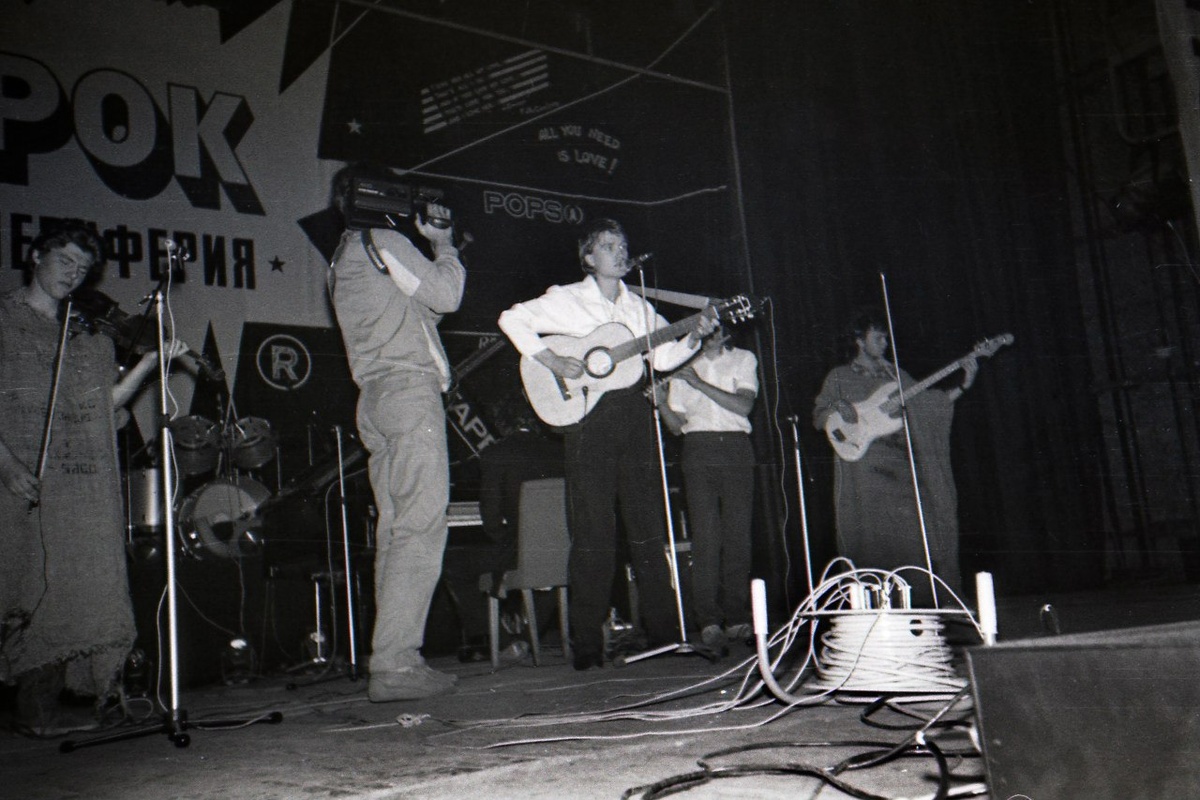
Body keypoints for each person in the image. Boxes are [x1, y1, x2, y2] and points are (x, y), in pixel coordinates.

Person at [498, 218, 717, 669]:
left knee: (647, 526)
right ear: (589, 257)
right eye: (609, 246)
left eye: (624, 245)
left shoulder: (639, 309)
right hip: (587, 419)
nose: (620, 252)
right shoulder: (567, 299)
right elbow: (511, 318)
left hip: (635, 416)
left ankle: (662, 634)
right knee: (593, 532)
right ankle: (586, 644)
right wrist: (553, 359)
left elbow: (664, 356)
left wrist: (695, 333)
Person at [0, 221, 189, 736]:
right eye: (65, 262)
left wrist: (150, 363)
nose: (73, 275)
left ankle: (38, 713)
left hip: (71, 485)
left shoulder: (82, 336)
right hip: (10, 477)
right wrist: (9, 467)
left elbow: (101, 407)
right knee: (13, 586)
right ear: (36, 255)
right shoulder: (4, 319)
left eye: (82, 270)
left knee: (66, 591)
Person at [326, 165, 466, 701]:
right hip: (408, 393)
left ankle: (391, 657)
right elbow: (447, 295)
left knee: (395, 530)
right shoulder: (382, 239)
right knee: (420, 527)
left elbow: (421, 305)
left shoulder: (343, 256)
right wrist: (446, 246)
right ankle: (396, 664)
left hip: (375, 399)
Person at [812, 311, 976, 605]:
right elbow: (820, 416)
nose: (885, 343)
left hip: (903, 464)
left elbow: (930, 406)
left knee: (919, 532)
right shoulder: (840, 376)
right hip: (866, 467)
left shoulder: (896, 375)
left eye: (886, 337)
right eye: (878, 337)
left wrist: (964, 384)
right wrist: (839, 409)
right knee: (875, 539)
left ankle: (924, 603)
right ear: (861, 342)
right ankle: (880, 605)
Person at [653, 326, 758, 651]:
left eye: (716, 328)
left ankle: (737, 618)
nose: (711, 332)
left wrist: (697, 382)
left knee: (737, 533)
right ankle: (709, 621)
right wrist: (661, 405)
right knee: (705, 535)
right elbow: (677, 427)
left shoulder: (743, 359)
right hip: (697, 447)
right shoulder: (680, 365)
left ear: (726, 332)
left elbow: (743, 406)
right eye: (705, 327)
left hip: (736, 446)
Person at [440, 402, 564, 662]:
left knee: (453, 566)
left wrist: (507, 540)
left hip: (521, 551)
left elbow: (491, 519)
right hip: (564, 552)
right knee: (550, 570)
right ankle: (530, 636)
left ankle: (506, 643)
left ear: (501, 424)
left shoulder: (497, 454)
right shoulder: (562, 451)